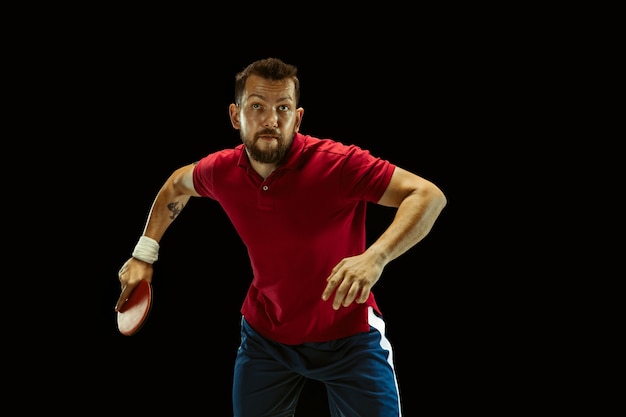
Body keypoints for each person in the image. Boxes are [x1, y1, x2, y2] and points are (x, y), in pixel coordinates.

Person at [116, 57, 447, 417]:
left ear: (298, 117)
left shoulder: (338, 164)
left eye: (283, 108)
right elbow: (175, 187)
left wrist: (376, 256)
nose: (271, 120)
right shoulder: (221, 170)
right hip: (266, 339)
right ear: (236, 116)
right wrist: (143, 255)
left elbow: (428, 196)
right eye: (257, 106)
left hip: (349, 338)